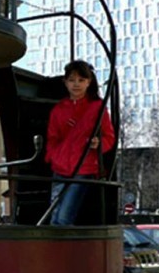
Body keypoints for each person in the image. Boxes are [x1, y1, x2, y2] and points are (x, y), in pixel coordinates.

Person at [45, 60, 116, 225]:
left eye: (81, 80)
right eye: (72, 80)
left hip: (83, 167)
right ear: (65, 82)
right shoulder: (58, 110)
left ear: (88, 82)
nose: (76, 84)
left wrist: (99, 144)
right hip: (60, 167)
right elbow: (52, 138)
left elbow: (109, 137)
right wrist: (54, 157)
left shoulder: (97, 107)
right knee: (55, 214)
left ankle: (60, 242)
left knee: (63, 216)